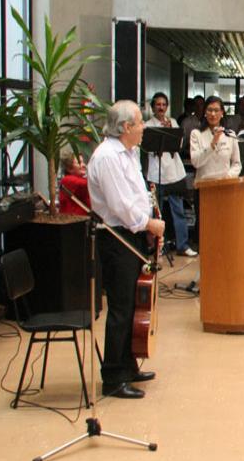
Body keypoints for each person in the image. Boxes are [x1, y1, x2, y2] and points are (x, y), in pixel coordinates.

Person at [86, 100, 165, 399]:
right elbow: (120, 206)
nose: (144, 128)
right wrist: (148, 224)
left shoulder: (129, 153)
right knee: (120, 307)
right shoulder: (107, 157)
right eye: (140, 123)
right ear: (125, 127)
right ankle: (113, 376)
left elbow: (137, 193)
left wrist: (148, 221)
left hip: (132, 235)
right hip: (117, 237)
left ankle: (129, 365)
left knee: (133, 303)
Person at [144, 92, 194, 256]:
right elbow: (145, 147)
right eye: (158, 104)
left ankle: (183, 245)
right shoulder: (148, 125)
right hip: (155, 172)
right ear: (153, 107)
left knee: (178, 209)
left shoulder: (172, 122)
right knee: (156, 211)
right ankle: (158, 245)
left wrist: (170, 129)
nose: (161, 107)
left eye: (164, 105)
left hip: (173, 172)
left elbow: (179, 144)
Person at [190, 96, 241, 181]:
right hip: (203, 186)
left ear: (222, 113)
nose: (213, 114)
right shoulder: (196, 133)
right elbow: (195, 162)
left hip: (225, 184)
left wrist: (228, 176)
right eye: (209, 110)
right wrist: (212, 144)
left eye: (216, 110)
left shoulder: (230, 134)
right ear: (205, 112)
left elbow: (237, 164)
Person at [58, 150, 91, 216]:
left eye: (83, 162)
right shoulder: (67, 180)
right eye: (79, 163)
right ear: (69, 168)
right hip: (73, 222)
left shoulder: (81, 178)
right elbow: (87, 184)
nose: (84, 165)